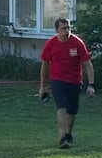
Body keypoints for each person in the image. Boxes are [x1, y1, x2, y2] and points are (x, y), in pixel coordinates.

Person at [39, 17, 95, 149]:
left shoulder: (77, 43)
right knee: (62, 106)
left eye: (68, 27)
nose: (67, 30)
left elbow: (87, 63)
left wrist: (91, 84)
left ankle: (68, 133)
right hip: (57, 80)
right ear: (57, 30)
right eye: (63, 28)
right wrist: (42, 86)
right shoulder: (50, 44)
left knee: (72, 110)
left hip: (74, 81)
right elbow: (45, 65)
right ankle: (62, 137)